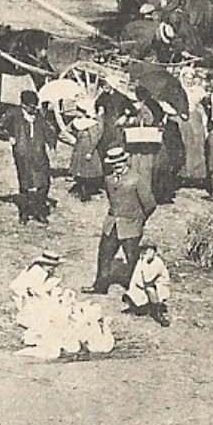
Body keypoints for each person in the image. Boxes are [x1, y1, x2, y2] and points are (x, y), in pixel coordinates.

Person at [89, 147, 155, 294]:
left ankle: (136, 289)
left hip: (131, 226)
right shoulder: (109, 180)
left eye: (119, 163)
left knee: (133, 259)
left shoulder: (136, 179)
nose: (117, 167)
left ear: (125, 162)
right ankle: (100, 286)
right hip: (112, 224)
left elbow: (150, 204)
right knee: (104, 255)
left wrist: (139, 220)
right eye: (114, 164)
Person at [0, 91, 56, 224]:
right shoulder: (14, 114)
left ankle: (39, 212)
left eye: (35, 106)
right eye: (31, 107)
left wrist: (51, 142)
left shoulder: (38, 115)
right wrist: (9, 137)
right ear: (23, 105)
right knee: (25, 184)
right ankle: (25, 213)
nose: (34, 109)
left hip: (40, 154)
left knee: (44, 183)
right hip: (23, 155)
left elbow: (47, 130)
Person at [122, 240, 173, 326]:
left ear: (155, 252)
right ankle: (140, 306)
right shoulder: (141, 262)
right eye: (144, 251)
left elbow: (147, 279)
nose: (147, 253)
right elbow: (136, 277)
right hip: (144, 285)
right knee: (133, 296)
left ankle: (157, 313)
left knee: (150, 290)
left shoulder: (158, 262)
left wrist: (145, 263)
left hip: (159, 287)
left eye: (150, 251)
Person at [68, 115, 105, 200]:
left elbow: (95, 139)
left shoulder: (92, 125)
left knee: (88, 172)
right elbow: (69, 130)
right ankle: (82, 191)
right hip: (79, 149)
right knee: (79, 171)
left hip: (87, 150)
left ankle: (87, 192)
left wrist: (90, 152)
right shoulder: (77, 122)